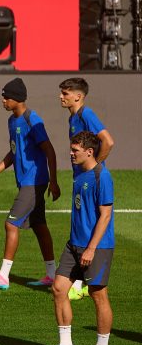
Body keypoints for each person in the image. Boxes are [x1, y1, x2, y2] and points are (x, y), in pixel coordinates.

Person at [40, 131, 115, 345]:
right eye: (71, 149)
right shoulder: (79, 173)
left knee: (98, 294)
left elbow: (105, 215)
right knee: (59, 289)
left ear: (89, 152)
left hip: (97, 247)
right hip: (74, 244)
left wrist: (91, 248)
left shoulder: (102, 176)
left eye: (75, 150)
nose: (71, 154)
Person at [0, 78, 60, 290]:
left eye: (6, 97)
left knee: (11, 223)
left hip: (34, 182)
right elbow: (14, 151)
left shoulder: (32, 120)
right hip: (26, 182)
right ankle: (52, 275)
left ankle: (3, 276)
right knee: (39, 225)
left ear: (17, 99)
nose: (3, 100)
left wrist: (53, 181)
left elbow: (49, 150)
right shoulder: (12, 121)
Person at [59, 77, 115, 301]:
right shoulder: (73, 117)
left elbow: (108, 141)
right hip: (81, 179)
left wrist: (93, 169)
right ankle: (79, 280)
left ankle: (82, 282)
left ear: (78, 96)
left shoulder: (86, 114)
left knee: (92, 220)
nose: (61, 97)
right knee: (80, 223)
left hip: (90, 181)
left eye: (65, 93)